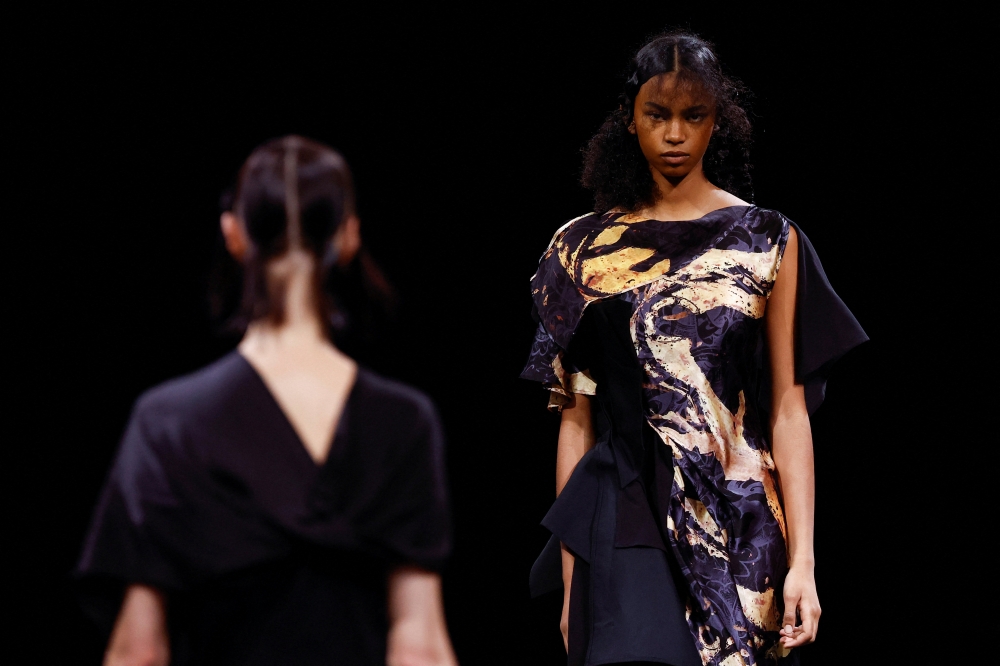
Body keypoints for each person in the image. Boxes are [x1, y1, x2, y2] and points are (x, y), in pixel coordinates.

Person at [522, 32, 867, 666]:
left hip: (741, 520)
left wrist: (806, 565)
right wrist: (573, 581)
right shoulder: (580, 252)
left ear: (718, 122)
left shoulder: (768, 241)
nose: (675, 133)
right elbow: (576, 417)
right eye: (659, 115)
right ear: (631, 119)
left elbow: (789, 411)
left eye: (694, 115)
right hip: (624, 506)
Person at [76, 136, 458, 666]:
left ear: (234, 233)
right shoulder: (401, 421)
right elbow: (419, 644)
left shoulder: (169, 422)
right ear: (348, 235)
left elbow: (139, 650)